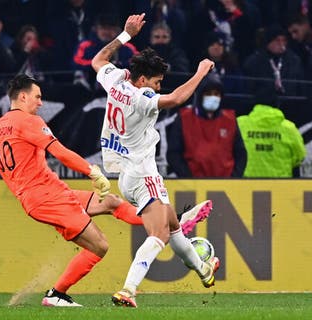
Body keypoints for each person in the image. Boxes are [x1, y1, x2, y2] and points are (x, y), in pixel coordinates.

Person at [0, 74, 112, 307]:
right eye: (37, 97)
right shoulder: (29, 122)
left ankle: (158, 224)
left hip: (30, 201)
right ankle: (56, 295)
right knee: (101, 245)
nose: (40, 103)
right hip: (47, 195)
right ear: (23, 96)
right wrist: (92, 171)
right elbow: (60, 152)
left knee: (112, 205)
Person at [91, 14, 219, 308]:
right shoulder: (141, 96)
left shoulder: (115, 81)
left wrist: (125, 35)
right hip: (143, 171)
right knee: (160, 232)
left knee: (173, 225)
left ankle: (204, 270)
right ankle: (128, 290)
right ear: (144, 80)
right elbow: (175, 99)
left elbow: (97, 60)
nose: (158, 87)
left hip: (125, 175)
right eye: (157, 81)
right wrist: (201, 73)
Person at [167, 73, 247, 177]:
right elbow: (174, 154)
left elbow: (241, 153)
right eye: (208, 94)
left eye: (216, 94)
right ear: (200, 95)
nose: (213, 97)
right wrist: (188, 178)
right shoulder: (184, 118)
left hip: (226, 184)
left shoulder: (230, 119)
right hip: (193, 185)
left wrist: (233, 178)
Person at [237, 84, 306, 177]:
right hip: (280, 186)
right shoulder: (289, 128)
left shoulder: (241, 124)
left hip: (247, 185)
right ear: (277, 103)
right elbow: (300, 157)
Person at [72, 14, 138, 91]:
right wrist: (101, 65)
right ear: (96, 29)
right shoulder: (85, 45)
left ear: (118, 31)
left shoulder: (127, 47)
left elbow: (138, 62)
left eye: (111, 29)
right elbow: (76, 62)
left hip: (121, 88)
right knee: (79, 73)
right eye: (103, 28)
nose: (107, 32)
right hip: (89, 88)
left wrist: (118, 64)